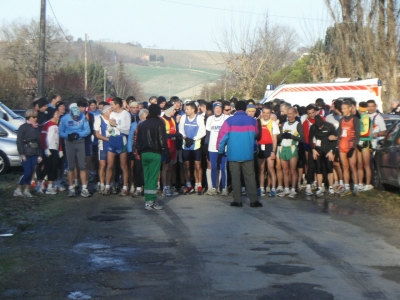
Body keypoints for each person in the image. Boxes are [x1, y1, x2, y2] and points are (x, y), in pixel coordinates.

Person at [217, 100, 261, 207]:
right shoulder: (252, 121)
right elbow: (256, 134)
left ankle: (237, 200)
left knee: (235, 177)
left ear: (235, 108)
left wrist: (220, 150)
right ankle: (254, 201)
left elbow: (222, 138)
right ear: (245, 108)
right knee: (250, 177)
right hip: (248, 153)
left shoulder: (229, 121)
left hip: (233, 154)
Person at [135, 104, 171, 210]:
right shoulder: (160, 123)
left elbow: (137, 141)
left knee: (147, 177)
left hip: (144, 153)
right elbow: (162, 140)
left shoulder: (142, 124)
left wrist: (140, 151)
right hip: (155, 153)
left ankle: (149, 200)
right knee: (153, 178)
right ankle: (150, 201)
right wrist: (167, 154)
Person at [59, 103, 91, 197]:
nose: (76, 118)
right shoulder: (64, 118)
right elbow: (60, 131)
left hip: (80, 141)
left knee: (82, 166)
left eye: (77, 116)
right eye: (74, 117)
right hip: (69, 142)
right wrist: (67, 135)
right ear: (70, 113)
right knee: (71, 166)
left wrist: (79, 134)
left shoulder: (83, 117)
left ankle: (84, 188)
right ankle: (71, 188)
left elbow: (87, 130)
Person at [105, 97, 131, 196]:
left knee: (123, 166)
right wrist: (111, 127)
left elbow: (126, 130)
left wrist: (115, 125)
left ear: (117, 105)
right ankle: (107, 187)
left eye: (112, 105)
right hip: (112, 140)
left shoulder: (126, 114)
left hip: (121, 141)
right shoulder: (112, 114)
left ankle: (124, 188)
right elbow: (109, 128)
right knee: (110, 165)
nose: (111, 107)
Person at [179, 101, 206, 195]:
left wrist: (193, 139)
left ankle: (198, 185)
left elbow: (203, 132)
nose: (185, 110)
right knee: (186, 166)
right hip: (186, 145)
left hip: (196, 145)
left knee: (197, 166)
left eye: (187, 109)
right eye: (185, 109)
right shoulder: (183, 117)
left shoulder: (199, 118)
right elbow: (181, 129)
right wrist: (185, 137)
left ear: (193, 110)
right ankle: (188, 185)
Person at [14, 109, 43, 197]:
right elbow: (19, 141)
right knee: (27, 172)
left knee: (31, 173)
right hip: (26, 152)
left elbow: (39, 142)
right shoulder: (23, 127)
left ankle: (27, 190)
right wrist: (22, 153)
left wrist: (40, 154)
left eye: (36, 117)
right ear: (29, 117)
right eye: (33, 117)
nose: (35, 119)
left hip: (35, 152)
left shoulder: (37, 128)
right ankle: (18, 188)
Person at [278, 107, 305, 198]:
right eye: (288, 113)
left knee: (293, 170)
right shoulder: (284, 124)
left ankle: (293, 189)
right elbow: (279, 137)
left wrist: (292, 136)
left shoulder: (298, 124)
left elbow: (302, 139)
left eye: (291, 113)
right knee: (285, 170)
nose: (289, 115)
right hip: (283, 148)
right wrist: (282, 136)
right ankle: (286, 189)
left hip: (292, 148)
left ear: (295, 114)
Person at [205, 101, 230, 196]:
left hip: (223, 147)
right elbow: (208, 134)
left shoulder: (227, 118)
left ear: (222, 109)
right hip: (212, 147)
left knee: (223, 168)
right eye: (216, 108)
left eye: (219, 108)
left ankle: (224, 188)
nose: (218, 109)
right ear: (213, 109)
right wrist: (206, 146)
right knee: (213, 167)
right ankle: (214, 187)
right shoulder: (210, 119)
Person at [309, 115, 336, 196]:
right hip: (318, 149)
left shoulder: (329, 126)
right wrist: (313, 150)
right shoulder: (313, 127)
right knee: (318, 168)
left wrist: (331, 151)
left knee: (329, 168)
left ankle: (331, 187)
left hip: (328, 149)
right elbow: (310, 139)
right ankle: (320, 187)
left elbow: (335, 139)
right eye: (318, 127)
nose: (320, 128)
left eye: (321, 126)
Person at [337, 100, 360, 196]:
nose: (343, 110)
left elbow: (358, 135)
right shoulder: (341, 120)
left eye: (344, 108)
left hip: (351, 146)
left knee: (353, 166)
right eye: (342, 108)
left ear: (350, 108)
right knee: (344, 167)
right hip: (342, 145)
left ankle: (356, 186)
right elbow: (339, 133)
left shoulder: (355, 119)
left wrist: (353, 147)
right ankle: (346, 187)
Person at [256, 106, 279, 197]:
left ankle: (273, 189)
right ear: (262, 113)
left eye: (267, 113)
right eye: (264, 112)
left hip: (269, 147)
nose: (266, 114)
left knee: (271, 169)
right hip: (259, 147)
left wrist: (273, 151)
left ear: (270, 114)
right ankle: (261, 188)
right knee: (261, 169)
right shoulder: (258, 122)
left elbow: (275, 139)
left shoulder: (273, 123)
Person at [40, 110, 62, 195]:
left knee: (54, 168)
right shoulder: (47, 124)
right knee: (47, 167)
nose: (58, 115)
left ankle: (50, 187)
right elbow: (43, 137)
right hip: (49, 149)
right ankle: (41, 185)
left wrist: (60, 149)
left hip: (55, 149)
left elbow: (59, 138)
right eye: (57, 113)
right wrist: (46, 148)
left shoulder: (57, 125)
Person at [94, 103, 112, 194]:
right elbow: (97, 134)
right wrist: (107, 139)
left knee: (110, 165)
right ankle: (101, 183)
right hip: (102, 145)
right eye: (109, 111)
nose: (111, 112)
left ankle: (108, 184)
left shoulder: (112, 120)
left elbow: (114, 131)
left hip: (111, 145)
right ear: (105, 112)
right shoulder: (98, 119)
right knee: (102, 165)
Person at [161, 104, 179, 196]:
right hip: (166, 146)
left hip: (173, 145)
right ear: (168, 110)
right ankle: (165, 188)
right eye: (173, 110)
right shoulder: (162, 120)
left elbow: (175, 132)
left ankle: (168, 186)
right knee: (165, 167)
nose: (175, 111)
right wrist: (172, 136)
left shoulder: (173, 119)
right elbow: (162, 135)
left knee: (171, 167)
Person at [356, 102, 374, 192]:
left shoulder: (366, 117)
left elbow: (366, 132)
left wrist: (356, 134)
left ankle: (368, 184)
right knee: (359, 164)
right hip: (359, 142)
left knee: (366, 164)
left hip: (365, 142)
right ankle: (360, 183)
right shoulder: (360, 117)